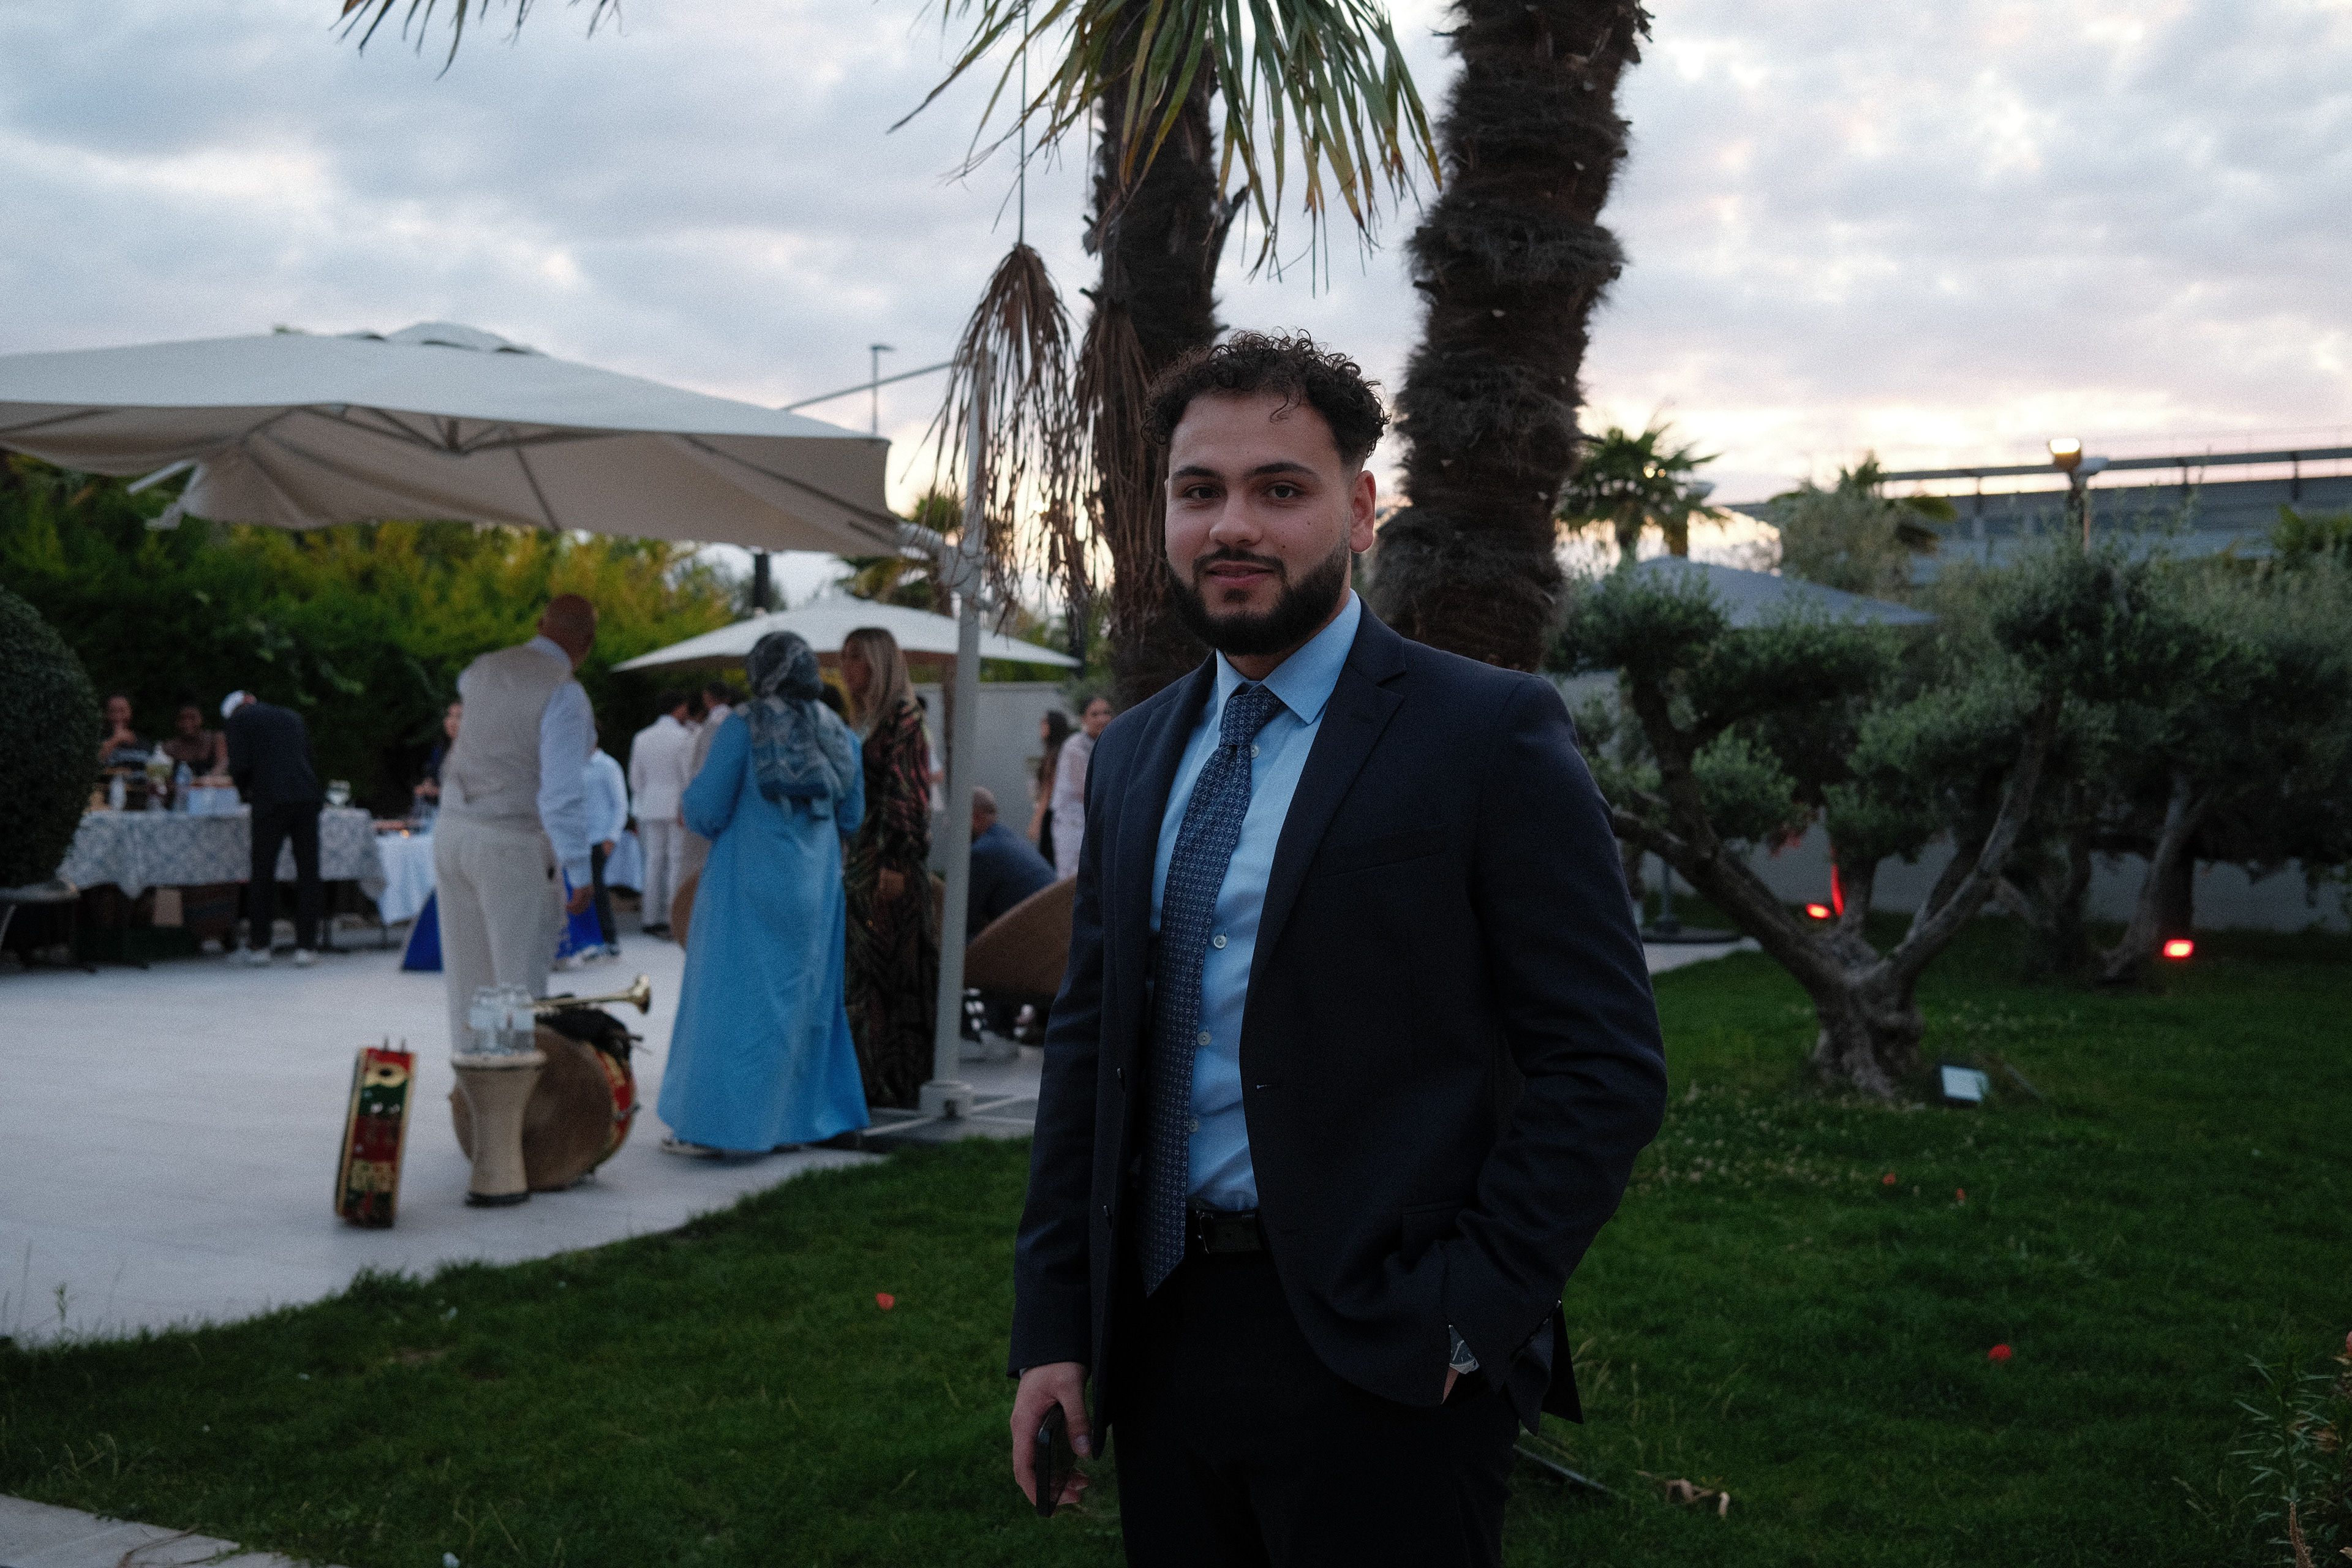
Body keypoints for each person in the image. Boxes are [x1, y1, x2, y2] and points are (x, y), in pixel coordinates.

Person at [1006, 333, 1668, 1566]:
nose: (1232, 525)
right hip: (1161, 1333)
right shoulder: (1134, 753)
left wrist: (1467, 1312)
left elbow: (1606, 1065)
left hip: (1389, 1353)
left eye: (1280, 488)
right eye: (1199, 490)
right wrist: (1054, 1328)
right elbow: (1090, 1049)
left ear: (1360, 510)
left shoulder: (1485, 733)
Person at [658, 631, 869, 1156]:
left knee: (729, 1004)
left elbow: (706, 811)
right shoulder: (837, 731)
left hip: (746, 888)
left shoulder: (743, 727)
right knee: (806, 1004)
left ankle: (717, 1129)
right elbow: (852, 816)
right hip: (816, 888)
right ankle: (793, 1123)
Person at [432, 595, 600, 1054]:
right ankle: (512, 1086)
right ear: (588, 643)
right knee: (516, 987)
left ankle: (474, 1084)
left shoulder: (482, 668)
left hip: (453, 828)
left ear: (541, 624)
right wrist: (579, 869)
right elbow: (562, 793)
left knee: (470, 981)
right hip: (510, 837)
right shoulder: (564, 692)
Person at [840, 625, 938, 1108]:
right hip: (862, 864)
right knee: (865, 978)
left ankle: (894, 1085)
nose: (845, 666)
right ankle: (867, 1080)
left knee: (893, 979)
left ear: (879, 663)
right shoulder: (864, 720)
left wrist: (895, 861)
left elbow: (907, 794)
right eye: (844, 656)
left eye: (856, 657)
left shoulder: (904, 718)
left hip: (887, 868)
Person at [223, 690, 326, 967]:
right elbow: (310, 759)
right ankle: (306, 947)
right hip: (306, 797)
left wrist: (245, 792)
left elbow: (240, 765)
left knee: (262, 873)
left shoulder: (239, 722)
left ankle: (261, 946)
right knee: (308, 872)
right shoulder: (292, 717)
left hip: (270, 801)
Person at [627, 690, 693, 937]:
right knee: (675, 861)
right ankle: (670, 917)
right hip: (676, 806)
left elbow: (635, 778)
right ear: (679, 708)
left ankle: (649, 917)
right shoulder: (684, 737)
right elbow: (687, 776)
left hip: (650, 805)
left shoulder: (642, 737)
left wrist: (645, 798)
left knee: (653, 862)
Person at [967, 786, 1056, 938]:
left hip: (1031, 941)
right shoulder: (1008, 839)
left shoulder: (982, 852)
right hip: (1055, 934)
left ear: (976, 817)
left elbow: (963, 920)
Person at [677, 678, 742, 885]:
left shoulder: (710, 726)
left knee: (699, 863)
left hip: (709, 802)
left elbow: (698, 768)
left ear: (707, 698)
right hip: (736, 802)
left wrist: (686, 803)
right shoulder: (740, 721)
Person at [1049, 693, 1113, 883]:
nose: (1102, 718)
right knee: (1071, 881)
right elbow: (1087, 790)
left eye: (1106, 713)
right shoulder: (1074, 746)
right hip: (1072, 824)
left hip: (1093, 822)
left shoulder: (1107, 741)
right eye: (1095, 714)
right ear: (1083, 719)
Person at [583, 744, 629, 958]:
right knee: (581, 889)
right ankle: (588, 939)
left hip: (600, 837)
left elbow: (620, 804)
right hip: (580, 837)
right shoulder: (573, 764)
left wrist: (612, 836)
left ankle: (609, 939)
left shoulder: (608, 766)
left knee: (598, 888)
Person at [1027, 709, 1072, 867]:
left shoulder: (1054, 756)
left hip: (1053, 815)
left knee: (1049, 861)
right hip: (1060, 815)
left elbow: (1048, 792)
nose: (1041, 725)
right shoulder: (1059, 753)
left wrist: (1036, 822)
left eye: (1044, 721)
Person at [158, 694, 229, 778]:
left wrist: (206, 781)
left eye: (193, 718)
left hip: (212, 785)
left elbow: (223, 763)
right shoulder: (169, 748)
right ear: (176, 722)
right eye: (182, 719)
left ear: (201, 718)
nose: (188, 724)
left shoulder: (215, 739)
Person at [413, 700, 462, 802]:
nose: (452, 722)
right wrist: (428, 783)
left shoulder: (475, 753)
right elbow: (431, 772)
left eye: (458, 717)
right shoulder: (441, 749)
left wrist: (438, 791)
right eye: (450, 715)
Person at [95, 693, 145, 767]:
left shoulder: (142, 740)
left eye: (122, 711)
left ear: (131, 712)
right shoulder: (98, 738)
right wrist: (116, 739)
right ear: (106, 714)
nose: (118, 716)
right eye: (112, 711)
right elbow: (94, 759)